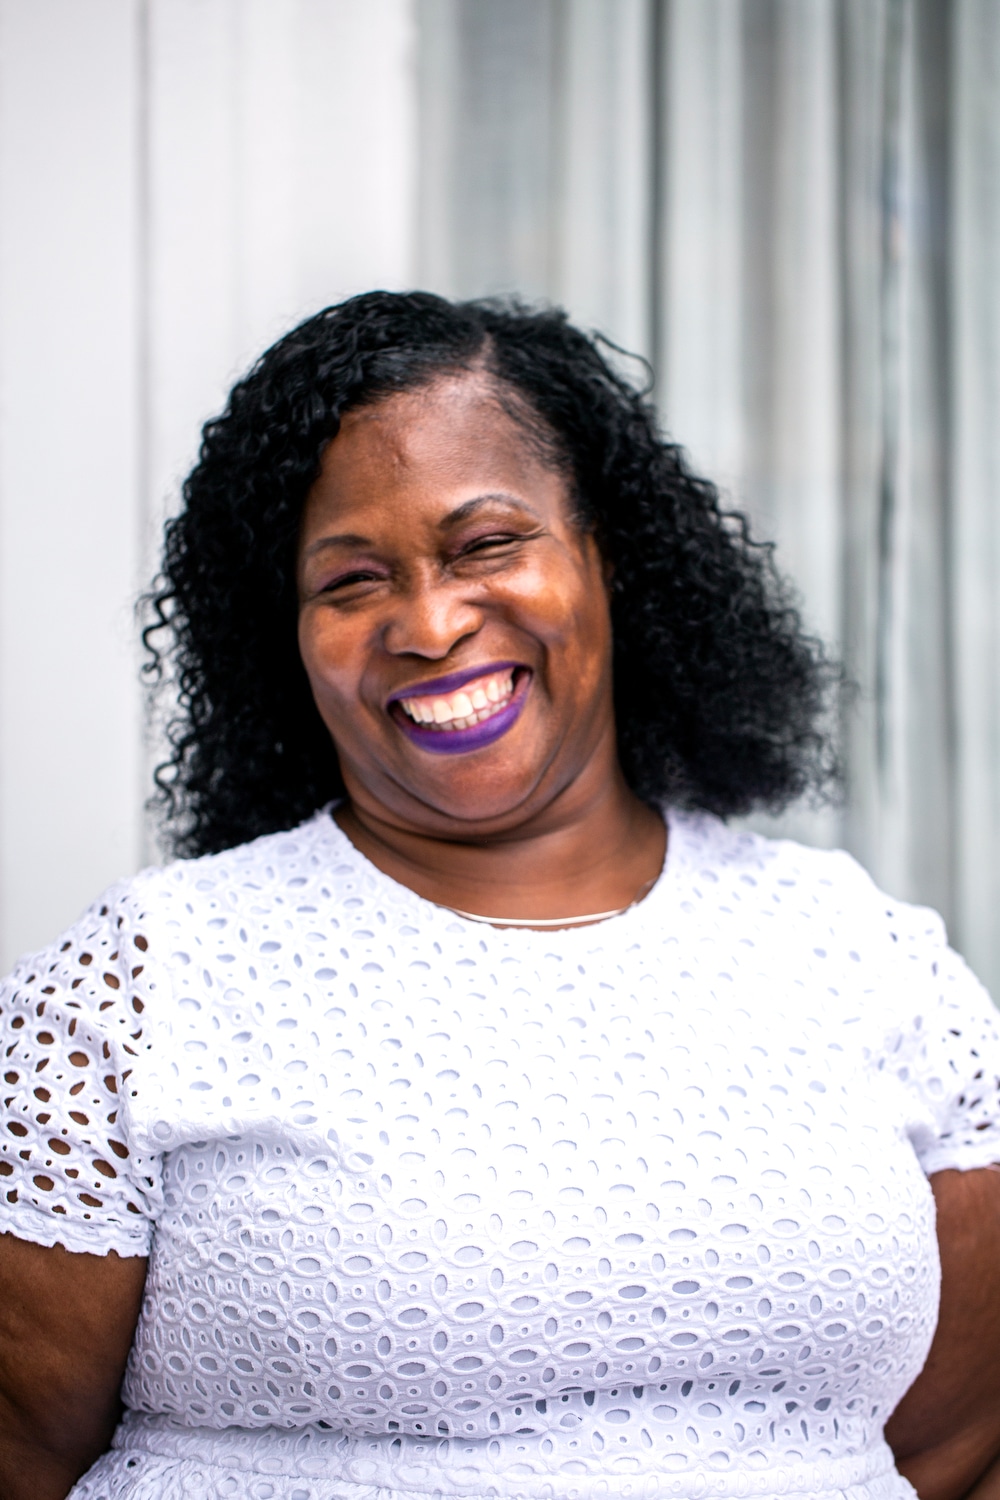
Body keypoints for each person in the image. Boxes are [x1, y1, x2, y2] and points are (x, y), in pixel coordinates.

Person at [2, 292, 1000, 1500]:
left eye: (484, 545)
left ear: (607, 554)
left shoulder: (865, 956)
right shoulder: (142, 981)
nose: (429, 624)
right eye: (351, 580)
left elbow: (955, 1448)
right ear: (289, 636)